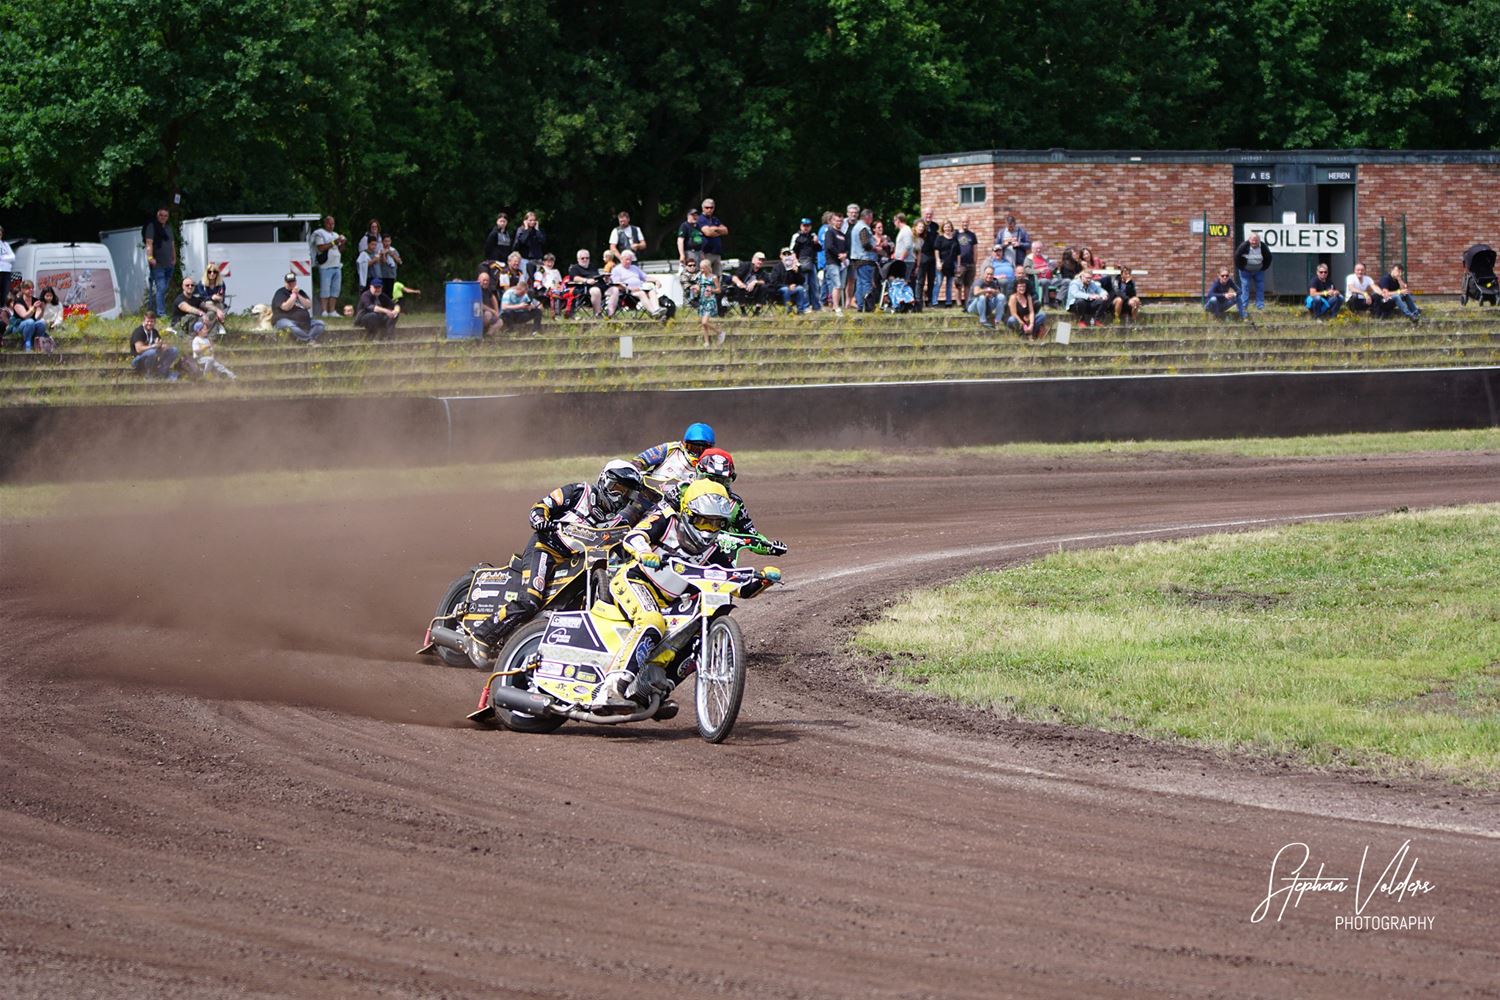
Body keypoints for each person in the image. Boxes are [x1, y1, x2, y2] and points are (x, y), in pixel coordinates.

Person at [603, 479, 777, 707]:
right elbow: (634, 536)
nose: (708, 530)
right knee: (651, 621)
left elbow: (736, 586)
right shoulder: (666, 521)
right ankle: (613, 687)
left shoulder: (714, 551)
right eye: (703, 522)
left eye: (715, 524)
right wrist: (644, 552)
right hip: (636, 582)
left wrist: (763, 581)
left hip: (671, 602)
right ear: (688, 514)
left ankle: (652, 690)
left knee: (700, 633)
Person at [463, 460, 651, 668]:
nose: (620, 496)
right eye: (617, 488)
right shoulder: (579, 492)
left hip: (577, 562)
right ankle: (481, 636)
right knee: (531, 600)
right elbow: (541, 506)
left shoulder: (619, 522)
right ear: (604, 480)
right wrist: (540, 519)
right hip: (546, 548)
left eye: (627, 493)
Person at [693, 447, 756, 534]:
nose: (714, 485)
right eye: (710, 479)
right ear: (698, 472)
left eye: (721, 481)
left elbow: (751, 534)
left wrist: (769, 545)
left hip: (717, 542)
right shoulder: (683, 489)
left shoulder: (734, 504)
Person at [633, 422, 716, 483]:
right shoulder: (671, 449)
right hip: (651, 496)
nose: (698, 453)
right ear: (685, 444)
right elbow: (641, 460)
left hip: (684, 501)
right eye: (695, 448)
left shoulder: (713, 463)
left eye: (703, 449)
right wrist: (634, 471)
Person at [271, 272, 324, 343]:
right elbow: (286, 307)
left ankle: (305, 339)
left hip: (304, 322)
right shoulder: (280, 293)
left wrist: (298, 295)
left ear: (295, 282)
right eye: (289, 282)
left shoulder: (300, 292)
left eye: (292, 282)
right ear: (285, 282)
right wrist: (293, 295)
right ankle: (308, 340)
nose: (291, 284)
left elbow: (308, 305)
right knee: (290, 325)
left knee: (320, 324)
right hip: (284, 320)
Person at [607, 249, 662, 317]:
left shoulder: (634, 268)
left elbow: (645, 277)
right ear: (621, 259)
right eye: (627, 259)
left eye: (630, 260)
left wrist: (656, 280)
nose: (629, 261)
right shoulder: (617, 270)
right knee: (642, 293)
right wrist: (630, 288)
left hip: (639, 289)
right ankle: (653, 312)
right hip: (627, 293)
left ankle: (657, 309)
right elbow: (617, 283)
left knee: (651, 291)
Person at [128, 310, 182, 378]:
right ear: (144, 321)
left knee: (174, 350)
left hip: (153, 358)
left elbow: (159, 344)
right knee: (152, 352)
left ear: (154, 322)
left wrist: (162, 346)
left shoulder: (154, 332)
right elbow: (139, 349)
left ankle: (162, 372)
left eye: (152, 321)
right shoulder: (138, 332)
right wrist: (153, 346)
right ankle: (149, 374)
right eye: (148, 321)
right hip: (138, 359)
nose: (149, 323)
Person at [142, 206, 175, 317]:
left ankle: (154, 309)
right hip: (158, 265)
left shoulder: (169, 228)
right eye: (161, 215)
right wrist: (150, 258)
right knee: (161, 288)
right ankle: (161, 313)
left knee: (163, 289)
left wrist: (174, 259)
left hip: (169, 264)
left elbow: (172, 244)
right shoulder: (152, 226)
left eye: (165, 215)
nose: (163, 217)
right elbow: (149, 243)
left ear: (168, 217)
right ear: (157, 215)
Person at [311, 215, 346, 316]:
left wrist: (343, 243)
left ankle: (332, 311)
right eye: (329, 223)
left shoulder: (336, 234)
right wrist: (334, 242)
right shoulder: (320, 234)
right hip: (325, 266)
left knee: (335, 290)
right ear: (325, 224)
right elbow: (321, 248)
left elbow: (341, 250)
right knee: (325, 289)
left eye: (333, 224)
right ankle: (324, 311)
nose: (331, 226)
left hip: (337, 265)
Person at [1234, 231, 1273, 318]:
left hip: (1258, 271)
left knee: (1260, 287)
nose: (1254, 242)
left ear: (1259, 240)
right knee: (1245, 287)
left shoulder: (1263, 247)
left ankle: (1260, 306)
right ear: (1249, 240)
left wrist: (1263, 268)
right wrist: (1241, 268)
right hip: (1245, 271)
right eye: (1252, 240)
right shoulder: (1244, 246)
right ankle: (1244, 306)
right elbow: (1237, 256)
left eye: (1256, 240)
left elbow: (1269, 257)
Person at [791, 218, 822, 312]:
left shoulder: (812, 236)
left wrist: (816, 242)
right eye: (804, 226)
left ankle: (816, 306)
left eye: (808, 226)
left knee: (815, 286)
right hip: (801, 263)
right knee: (804, 286)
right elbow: (792, 251)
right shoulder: (797, 236)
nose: (806, 228)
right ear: (801, 226)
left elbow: (819, 249)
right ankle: (805, 306)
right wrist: (795, 262)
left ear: (810, 227)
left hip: (812, 263)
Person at [821, 213, 848, 316]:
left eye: (841, 221)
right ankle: (836, 307)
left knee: (841, 286)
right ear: (832, 221)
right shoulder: (829, 232)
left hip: (842, 263)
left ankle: (834, 306)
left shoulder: (843, 235)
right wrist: (839, 254)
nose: (839, 223)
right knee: (837, 284)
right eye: (837, 220)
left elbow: (847, 248)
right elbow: (829, 246)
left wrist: (845, 255)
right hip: (832, 262)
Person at [7, 281, 46, 350]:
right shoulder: (18, 301)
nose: (31, 290)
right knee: (30, 321)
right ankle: (27, 344)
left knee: (42, 322)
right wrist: (34, 307)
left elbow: (37, 318)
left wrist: (42, 309)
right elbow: (24, 316)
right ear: (22, 290)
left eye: (32, 288)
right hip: (18, 326)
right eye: (28, 288)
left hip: (31, 325)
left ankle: (37, 342)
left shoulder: (35, 300)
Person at [694, 259, 723, 347]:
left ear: (708, 268)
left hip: (710, 301)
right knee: (704, 325)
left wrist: (711, 290)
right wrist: (696, 289)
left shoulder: (713, 277)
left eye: (703, 268)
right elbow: (698, 288)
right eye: (701, 268)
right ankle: (706, 342)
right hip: (702, 300)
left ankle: (719, 332)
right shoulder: (700, 276)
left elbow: (719, 290)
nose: (701, 270)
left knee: (704, 322)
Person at [566, 249, 604, 317]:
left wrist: (605, 278)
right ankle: (597, 314)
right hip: (585, 289)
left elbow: (597, 276)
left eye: (587, 258)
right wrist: (586, 280)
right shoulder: (574, 268)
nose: (585, 260)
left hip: (600, 286)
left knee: (615, 290)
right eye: (582, 258)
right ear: (578, 259)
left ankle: (610, 315)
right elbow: (575, 278)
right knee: (596, 291)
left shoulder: (593, 266)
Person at [696, 198, 729, 277]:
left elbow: (726, 231)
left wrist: (714, 229)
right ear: (703, 208)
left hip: (717, 252)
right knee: (706, 276)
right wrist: (718, 231)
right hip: (706, 253)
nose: (709, 209)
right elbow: (708, 233)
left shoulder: (715, 219)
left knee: (717, 276)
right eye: (707, 207)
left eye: (711, 207)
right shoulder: (700, 219)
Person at [772, 248, 810, 314]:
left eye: (788, 254)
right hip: (780, 289)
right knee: (785, 289)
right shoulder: (777, 267)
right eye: (784, 254)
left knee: (800, 289)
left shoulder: (795, 266)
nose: (787, 256)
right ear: (781, 256)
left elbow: (802, 281)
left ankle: (800, 311)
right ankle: (789, 310)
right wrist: (787, 286)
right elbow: (774, 282)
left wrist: (797, 272)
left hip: (793, 288)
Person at [932, 221, 958, 306]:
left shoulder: (954, 239)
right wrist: (938, 261)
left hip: (952, 263)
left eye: (949, 227)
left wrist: (958, 265)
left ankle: (948, 302)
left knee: (949, 284)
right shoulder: (940, 238)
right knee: (938, 282)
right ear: (943, 228)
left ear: (951, 228)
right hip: (942, 263)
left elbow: (958, 253)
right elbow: (936, 250)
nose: (947, 228)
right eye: (946, 227)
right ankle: (934, 302)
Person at [514, 211, 546, 278]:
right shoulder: (521, 230)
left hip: (537, 260)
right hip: (525, 259)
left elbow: (543, 241)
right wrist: (526, 230)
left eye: (534, 220)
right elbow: (522, 241)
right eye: (530, 220)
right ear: (525, 221)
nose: (532, 222)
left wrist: (537, 230)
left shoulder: (538, 231)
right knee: (524, 277)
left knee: (542, 276)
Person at [198, 264, 229, 333]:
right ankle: (219, 324)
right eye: (209, 272)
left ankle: (210, 327)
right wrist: (212, 297)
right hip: (206, 304)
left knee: (215, 308)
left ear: (217, 273)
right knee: (211, 303)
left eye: (214, 272)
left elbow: (222, 297)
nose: (212, 274)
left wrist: (219, 297)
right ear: (206, 273)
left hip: (218, 303)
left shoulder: (221, 283)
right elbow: (202, 297)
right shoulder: (201, 283)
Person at [955, 219, 978, 309]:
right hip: (960, 263)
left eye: (966, 222)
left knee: (968, 285)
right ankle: (958, 303)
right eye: (963, 222)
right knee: (958, 284)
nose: (965, 223)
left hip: (970, 263)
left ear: (968, 223)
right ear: (961, 223)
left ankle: (967, 303)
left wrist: (975, 262)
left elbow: (975, 249)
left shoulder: (972, 235)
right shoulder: (956, 234)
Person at [890, 212, 913, 282]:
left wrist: (901, 259)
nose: (894, 223)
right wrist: (895, 254)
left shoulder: (906, 230)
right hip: (902, 261)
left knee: (902, 283)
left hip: (906, 261)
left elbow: (908, 246)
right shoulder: (902, 230)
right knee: (899, 282)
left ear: (898, 220)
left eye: (894, 220)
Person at [0, 224, 13, 310]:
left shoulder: (5, 245)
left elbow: (12, 257)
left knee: (5, 293)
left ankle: (4, 309)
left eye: (0, 233)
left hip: (6, 271)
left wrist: (3, 258)